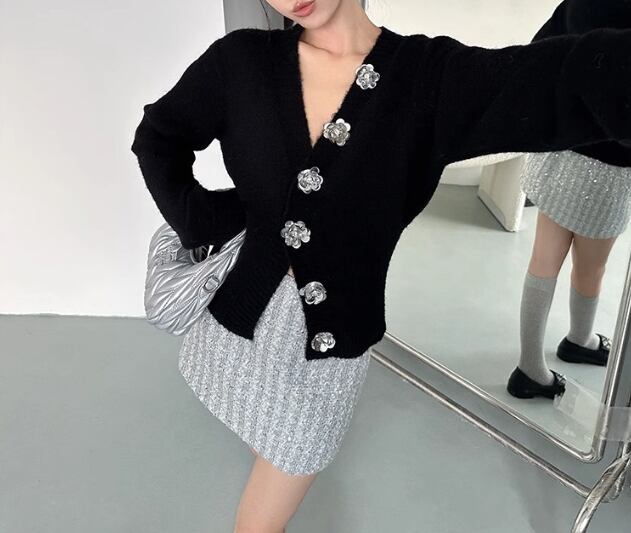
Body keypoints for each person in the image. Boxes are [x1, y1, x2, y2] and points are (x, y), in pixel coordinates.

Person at [130, 0, 631, 531]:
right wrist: (212, 220)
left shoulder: (428, 80)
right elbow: (159, 137)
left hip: (328, 358)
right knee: (268, 465)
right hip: (236, 330)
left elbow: (558, 81)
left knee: (268, 503)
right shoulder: (240, 62)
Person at [506, 0, 631, 400]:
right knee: (591, 268)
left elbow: (540, 50)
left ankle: (530, 367)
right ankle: (580, 340)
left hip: (561, 147)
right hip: (609, 163)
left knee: (543, 260)